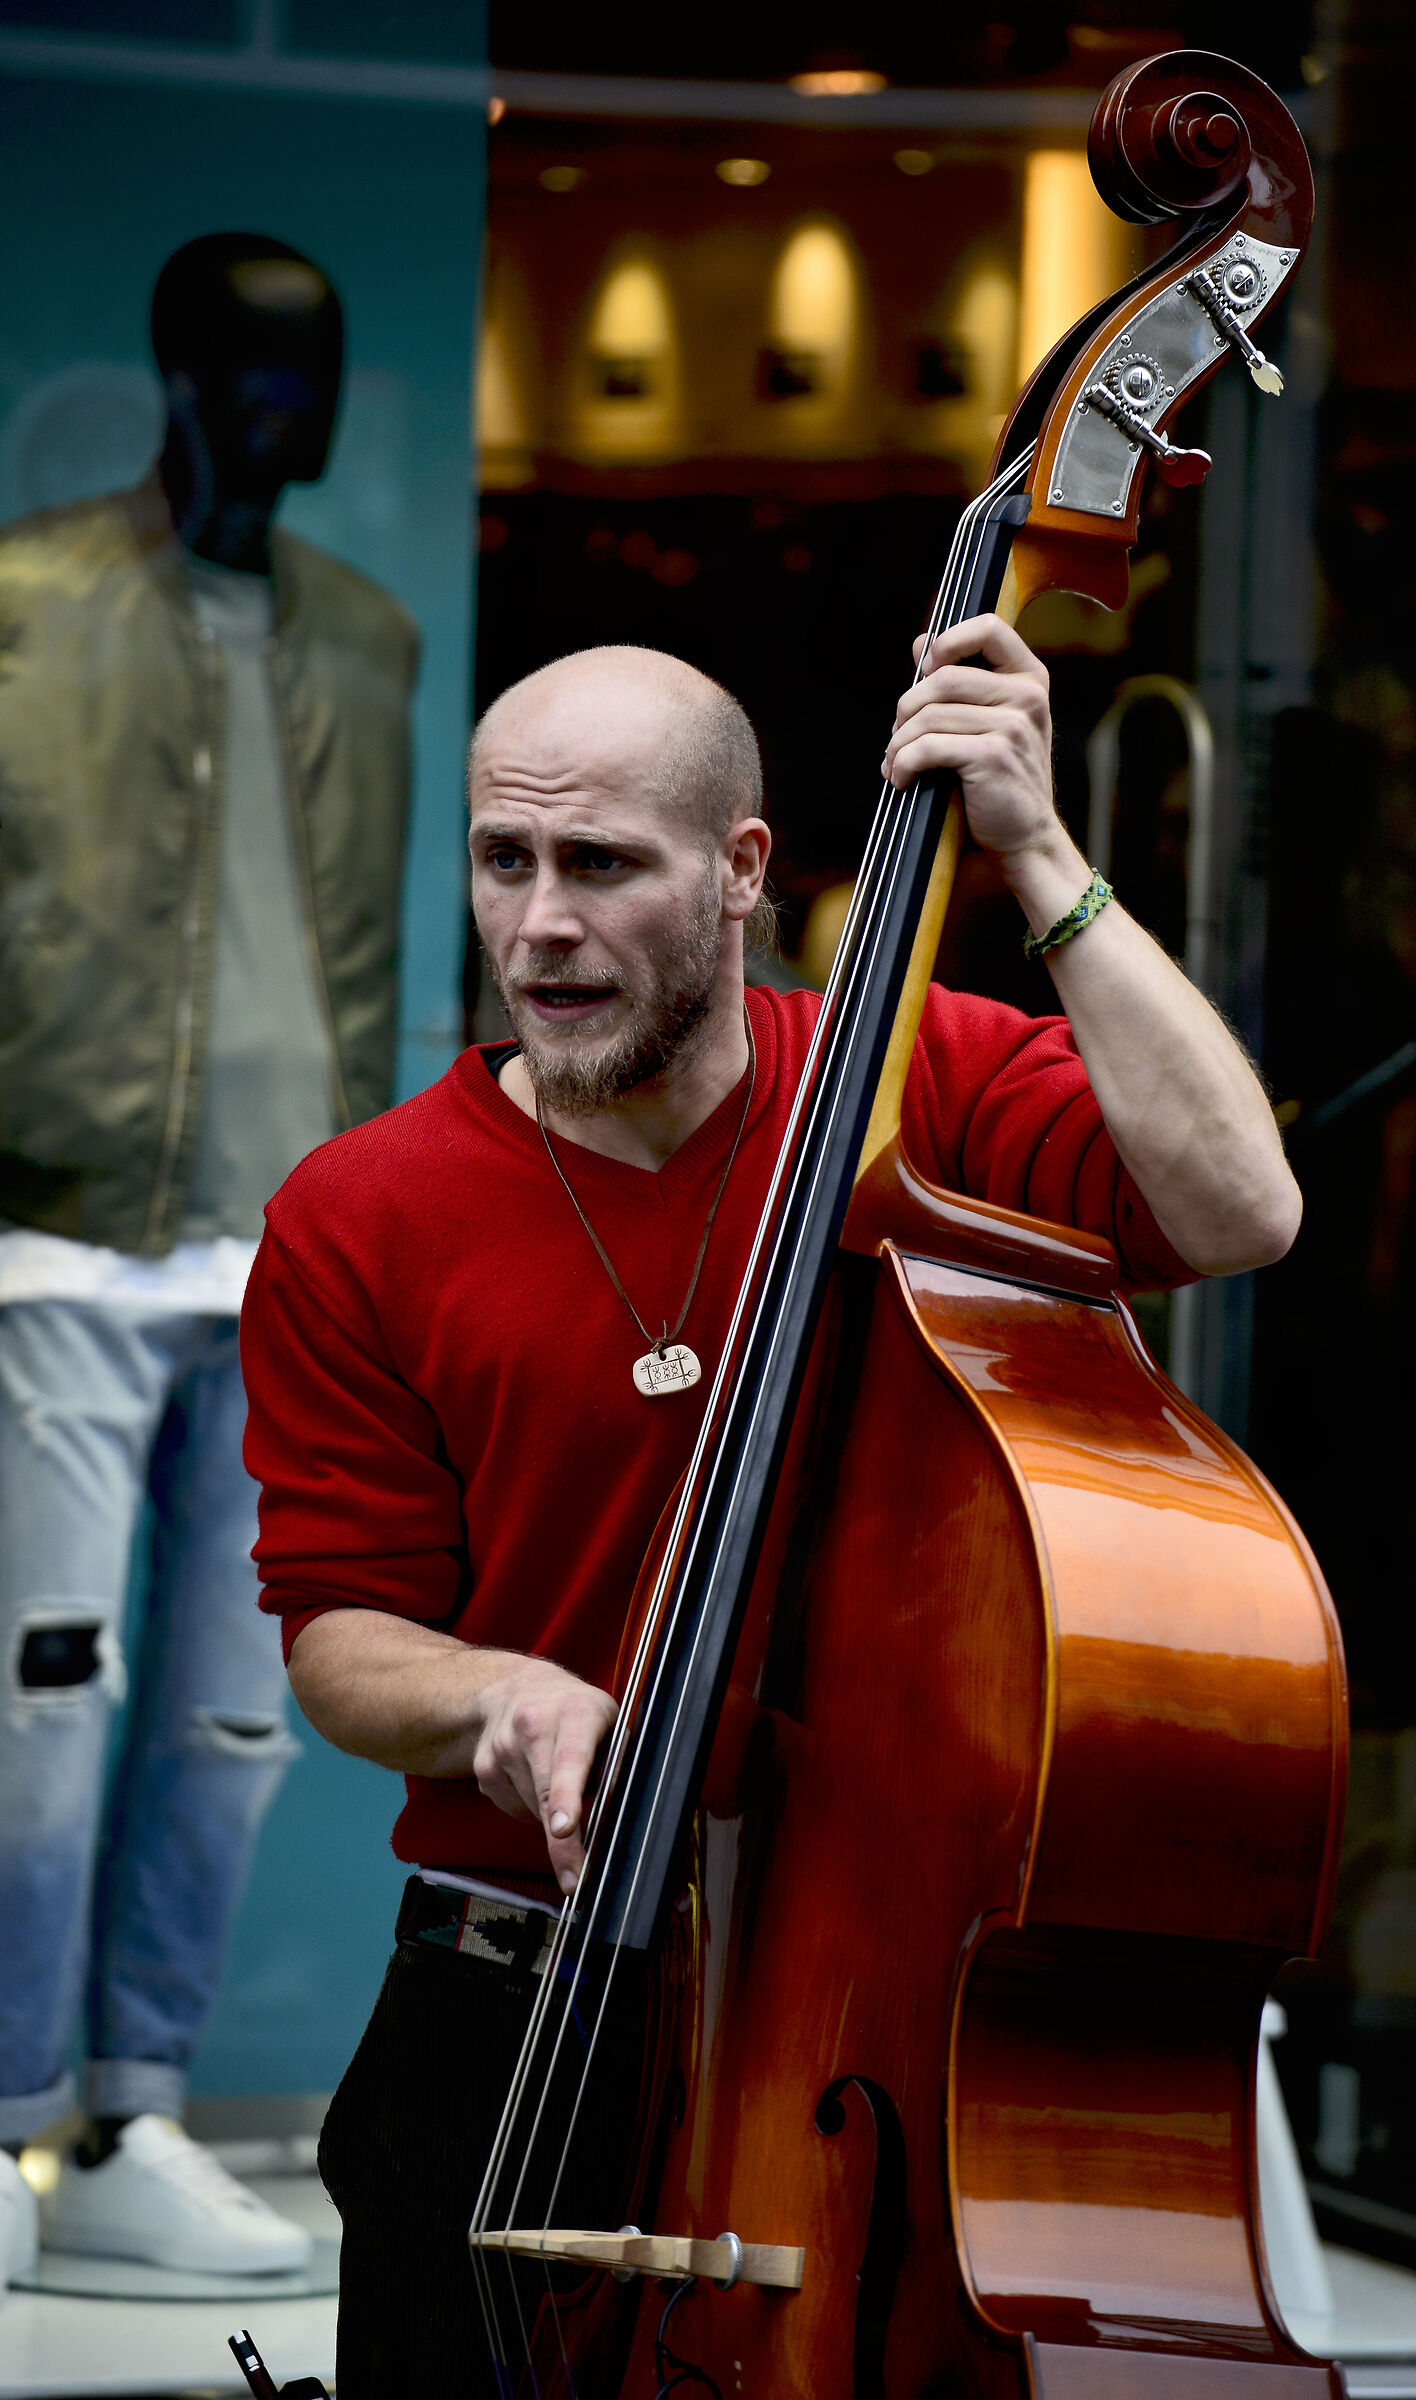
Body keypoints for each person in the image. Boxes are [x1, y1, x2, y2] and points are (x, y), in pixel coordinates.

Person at [240, 628, 1300, 2397]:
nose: (539, 927)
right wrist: (502, 1700)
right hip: (515, 2012)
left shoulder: (923, 1087)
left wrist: (1035, 848)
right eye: (505, 862)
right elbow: (343, 1641)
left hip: (878, 2027)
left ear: (741, 873)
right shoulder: (358, 1216)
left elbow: (1237, 1205)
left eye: (600, 864)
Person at [0, 232, 415, 2283]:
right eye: (261, 372)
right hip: (58, 1236)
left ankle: (134, 2114)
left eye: (320, 371)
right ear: (178, 376)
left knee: (235, 1721)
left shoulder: (367, 638)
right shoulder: (23, 608)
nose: (298, 412)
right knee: (42, 1697)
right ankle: (5, 2125)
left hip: (286, 1256)